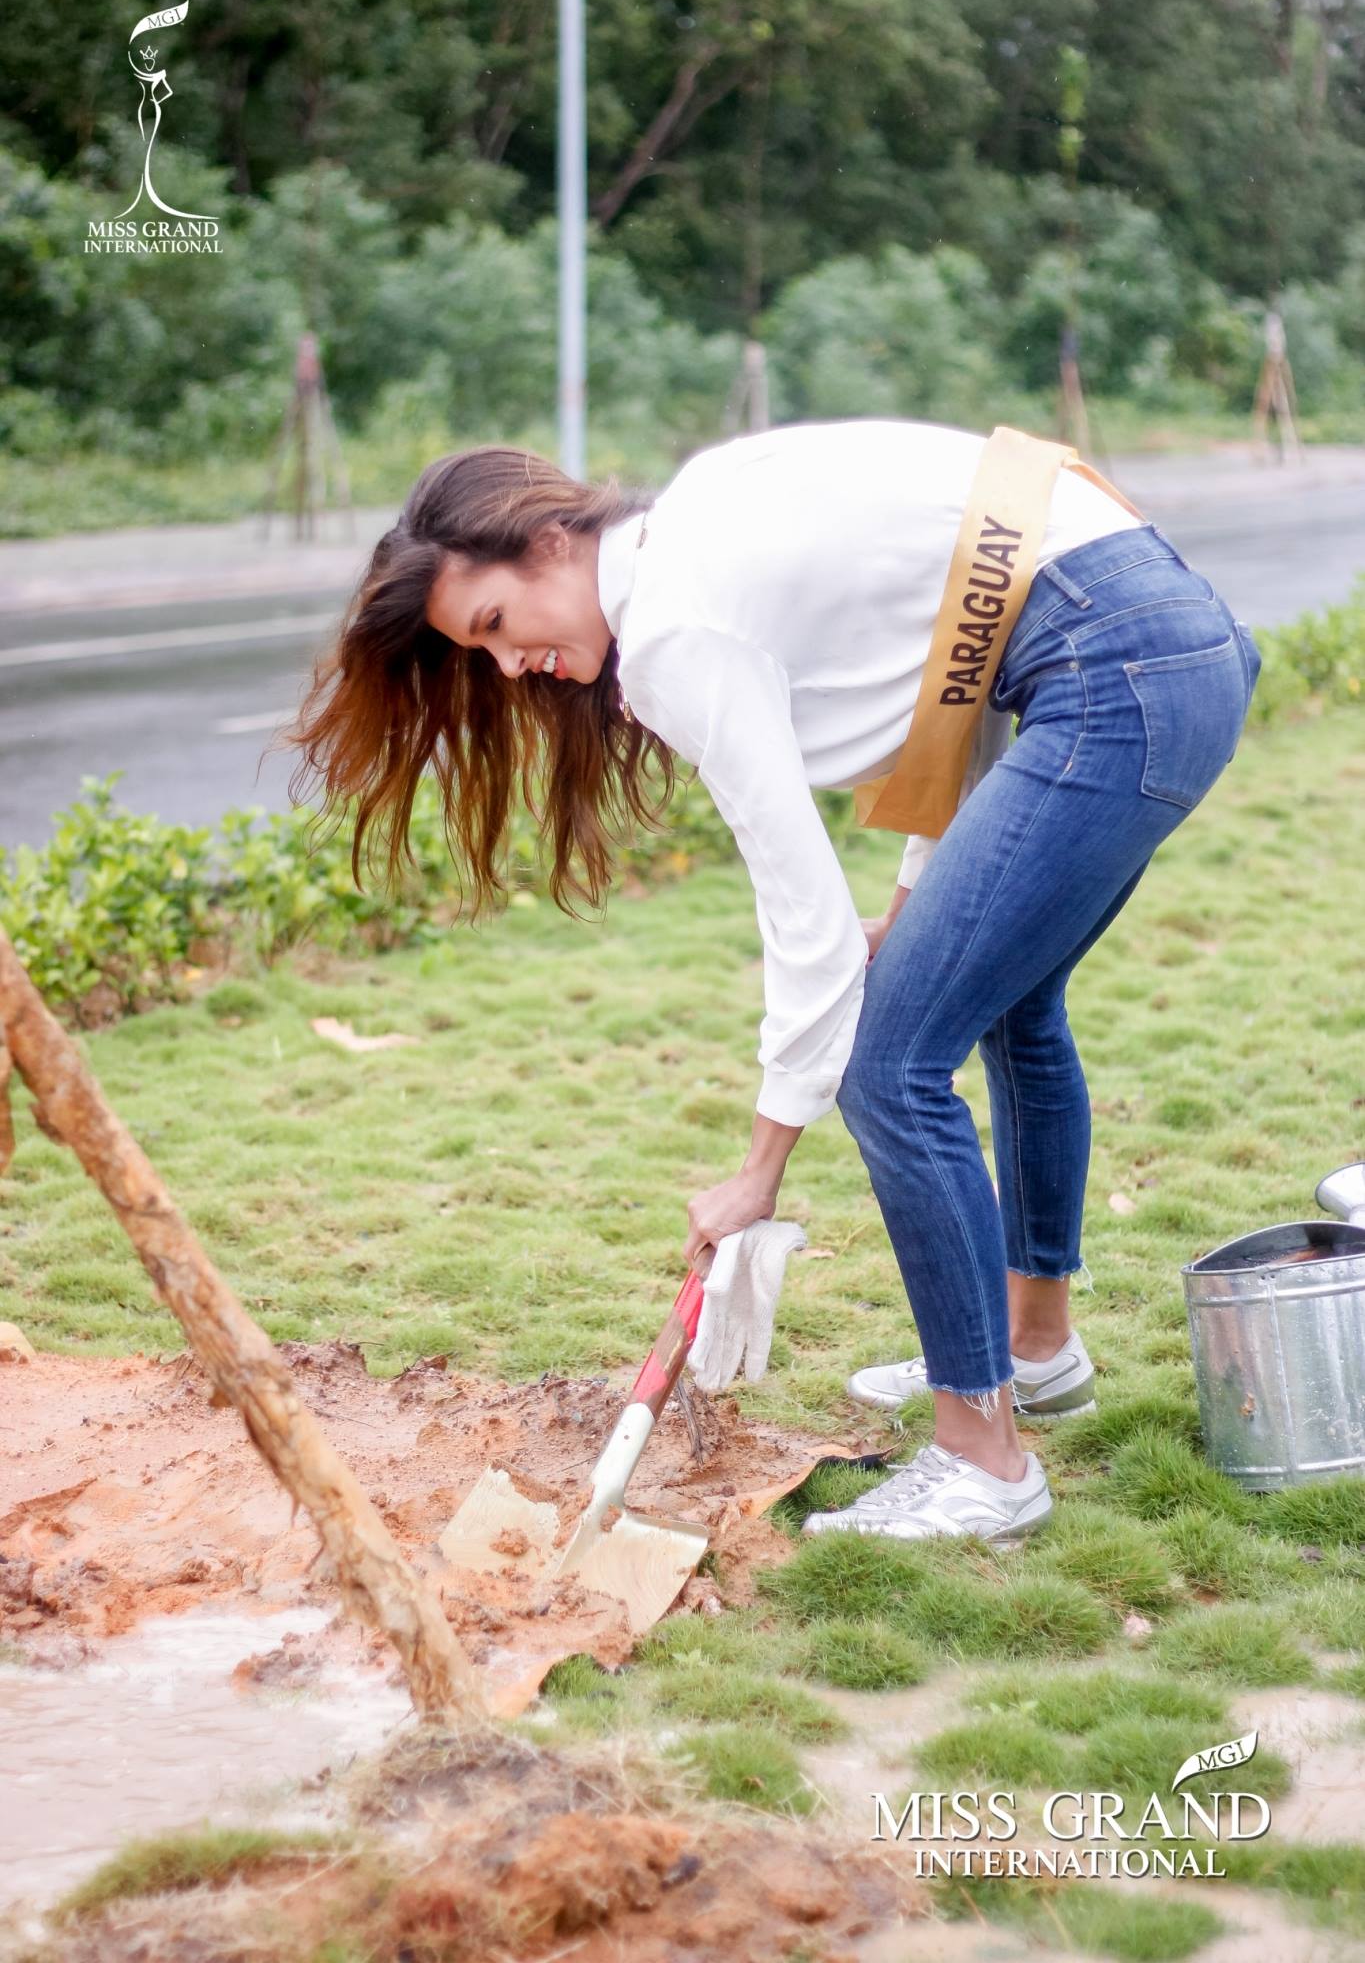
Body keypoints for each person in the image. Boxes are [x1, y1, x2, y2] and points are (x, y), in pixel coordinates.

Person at [290, 420, 1262, 1546]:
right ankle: (1036, 1354)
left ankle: (983, 1462)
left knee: (890, 1066)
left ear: (551, 541)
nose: (512, 666)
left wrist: (759, 1169)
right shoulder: (704, 510)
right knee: (1009, 1003)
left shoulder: (674, 628)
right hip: (1167, 642)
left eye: (499, 625)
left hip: (1112, 671)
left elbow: (801, 912)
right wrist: (913, 909)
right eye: (484, 654)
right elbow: (965, 672)